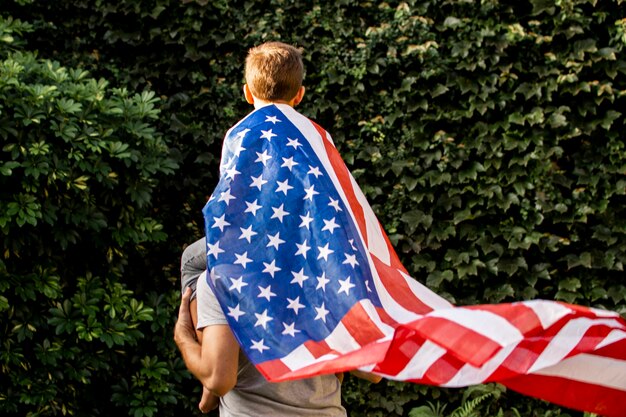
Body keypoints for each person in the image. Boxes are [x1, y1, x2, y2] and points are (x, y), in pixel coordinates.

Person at [174, 41, 381, 416]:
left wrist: (183, 335)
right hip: (304, 241)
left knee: (193, 260)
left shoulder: (239, 131)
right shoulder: (318, 136)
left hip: (252, 238)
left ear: (247, 91)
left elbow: (230, 198)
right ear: (299, 94)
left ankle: (208, 361)